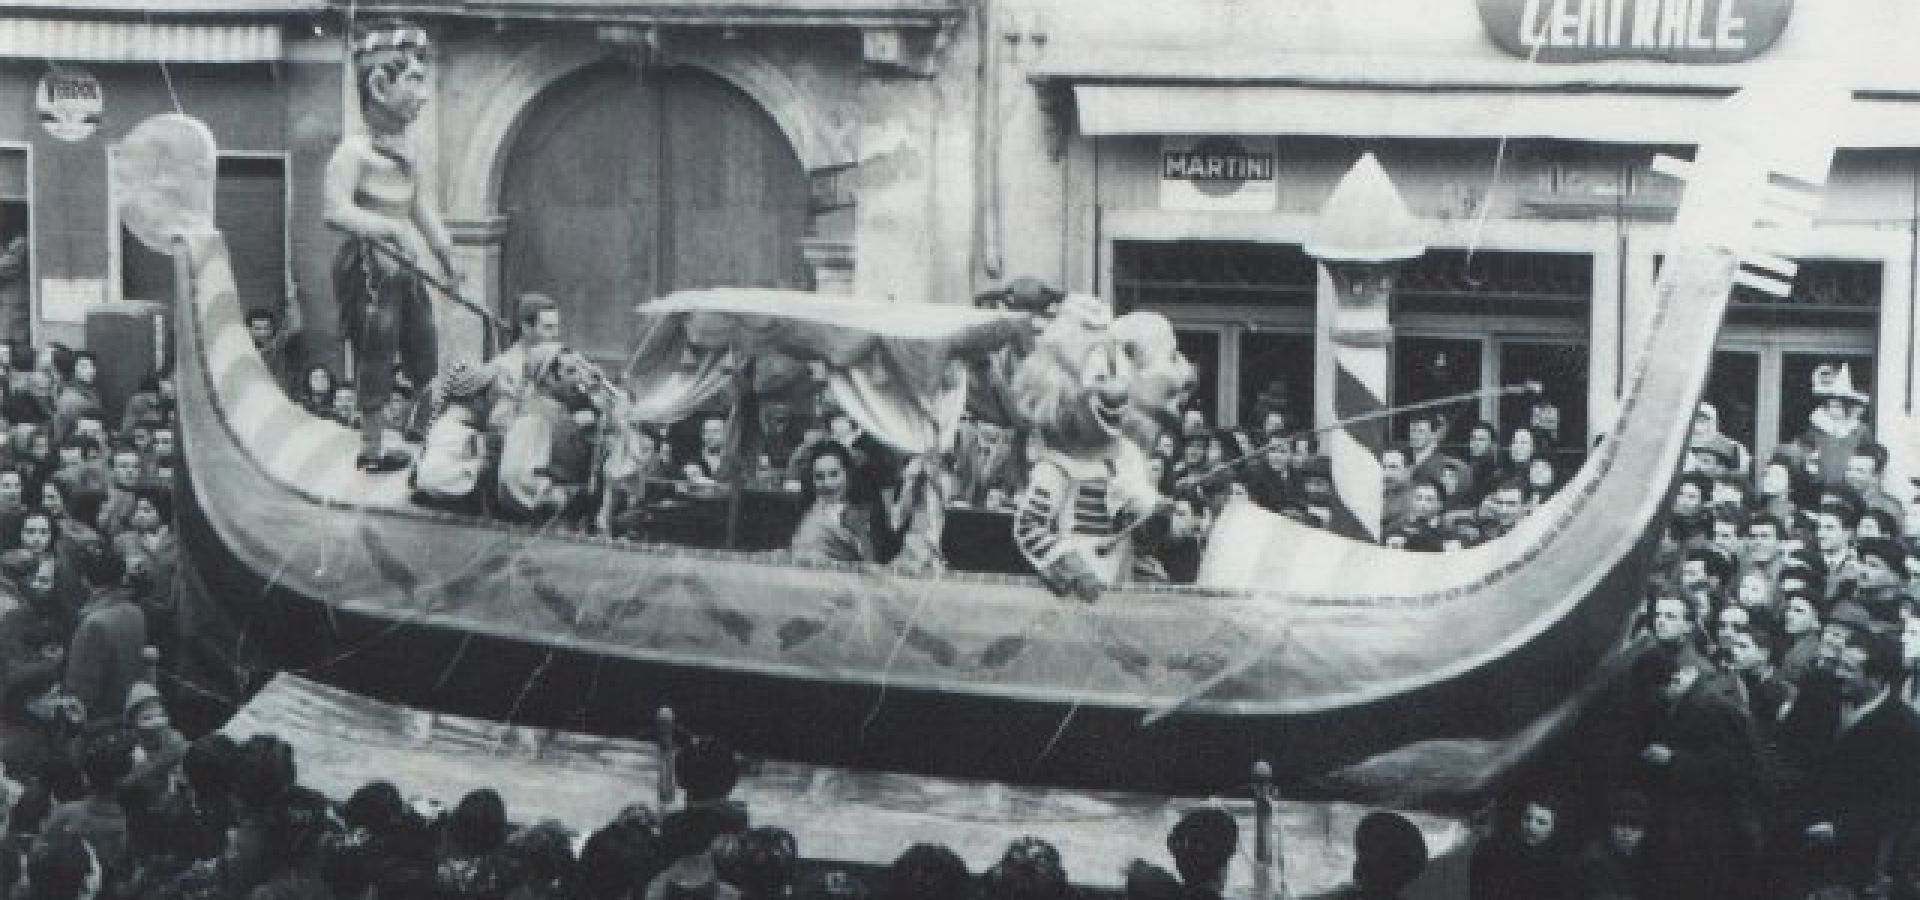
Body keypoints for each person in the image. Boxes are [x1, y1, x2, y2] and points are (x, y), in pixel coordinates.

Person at [326, 19, 459, 473]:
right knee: (377, 352)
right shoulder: (352, 153)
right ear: (380, 86)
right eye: (414, 81)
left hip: (405, 267)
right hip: (368, 267)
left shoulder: (409, 149)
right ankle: (372, 448)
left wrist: (445, 252)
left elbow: (418, 206)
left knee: (424, 344)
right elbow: (335, 211)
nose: (423, 94)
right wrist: (390, 230)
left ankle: (424, 435)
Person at [62, 549, 141, 729]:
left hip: (100, 718)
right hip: (129, 704)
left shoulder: (94, 623)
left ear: (85, 580)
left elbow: (82, 683)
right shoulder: (136, 611)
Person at [1468, 794, 1571, 900]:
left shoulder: (1559, 868)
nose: (1531, 826)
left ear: (1553, 829)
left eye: (1541, 822)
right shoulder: (1496, 854)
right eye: (1527, 818)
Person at [789, 441, 874, 565]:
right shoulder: (813, 512)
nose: (827, 484)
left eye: (834, 474)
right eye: (819, 476)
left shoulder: (855, 514)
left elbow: (870, 562)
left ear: (847, 475)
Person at [246, 308, 299, 398]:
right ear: (249, 330)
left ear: (272, 329)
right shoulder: (245, 353)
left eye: (266, 328)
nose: (263, 333)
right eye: (257, 329)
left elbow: (295, 325)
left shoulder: (279, 347)